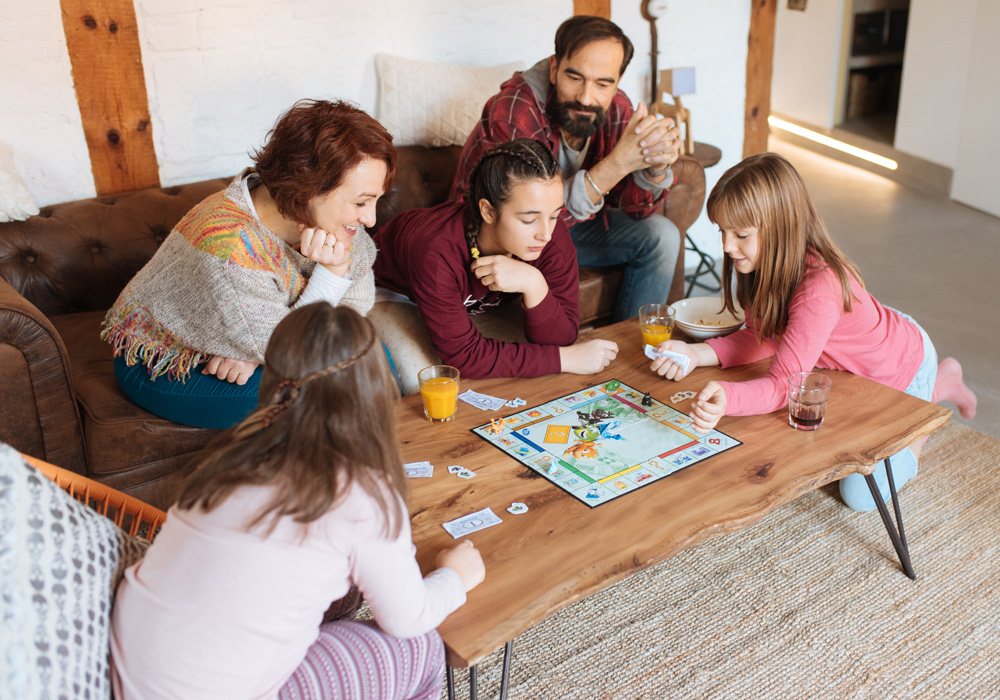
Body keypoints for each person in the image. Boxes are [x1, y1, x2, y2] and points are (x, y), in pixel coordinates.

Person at [110, 302, 486, 700]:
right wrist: (454, 577)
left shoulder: (228, 457)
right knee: (422, 648)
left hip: (133, 673)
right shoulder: (362, 494)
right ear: (374, 389)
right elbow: (408, 619)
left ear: (272, 378)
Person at [648, 153, 977, 512]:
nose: (726, 247)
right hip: (858, 357)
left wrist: (728, 398)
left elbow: (783, 387)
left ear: (779, 229)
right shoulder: (764, 263)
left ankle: (931, 394)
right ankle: (934, 386)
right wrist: (696, 353)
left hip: (900, 369)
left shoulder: (819, 289)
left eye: (740, 234)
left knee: (860, 496)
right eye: (722, 232)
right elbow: (761, 338)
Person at [101, 99, 396, 429]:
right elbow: (291, 352)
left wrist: (254, 351)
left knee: (378, 363)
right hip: (168, 362)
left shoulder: (334, 222)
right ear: (309, 188)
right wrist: (332, 273)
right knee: (331, 393)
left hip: (264, 338)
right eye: (361, 202)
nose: (370, 219)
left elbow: (356, 305)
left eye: (375, 200)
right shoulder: (230, 248)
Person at [449, 15, 683, 323]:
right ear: (555, 67)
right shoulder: (516, 106)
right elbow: (523, 214)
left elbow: (637, 210)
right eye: (575, 77)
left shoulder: (615, 106)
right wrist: (619, 164)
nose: (587, 97)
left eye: (603, 83)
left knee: (661, 235)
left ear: (617, 81)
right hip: (501, 234)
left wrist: (656, 166)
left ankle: (630, 348)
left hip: (565, 227)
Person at [370, 138, 617, 392]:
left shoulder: (551, 236)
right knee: (429, 381)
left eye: (554, 215)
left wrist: (535, 284)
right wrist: (567, 359)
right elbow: (464, 357)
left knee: (533, 371)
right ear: (488, 212)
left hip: (474, 304)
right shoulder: (435, 250)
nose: (545, 233)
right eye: (528, 220)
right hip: (392, 291)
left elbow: (562, 337)